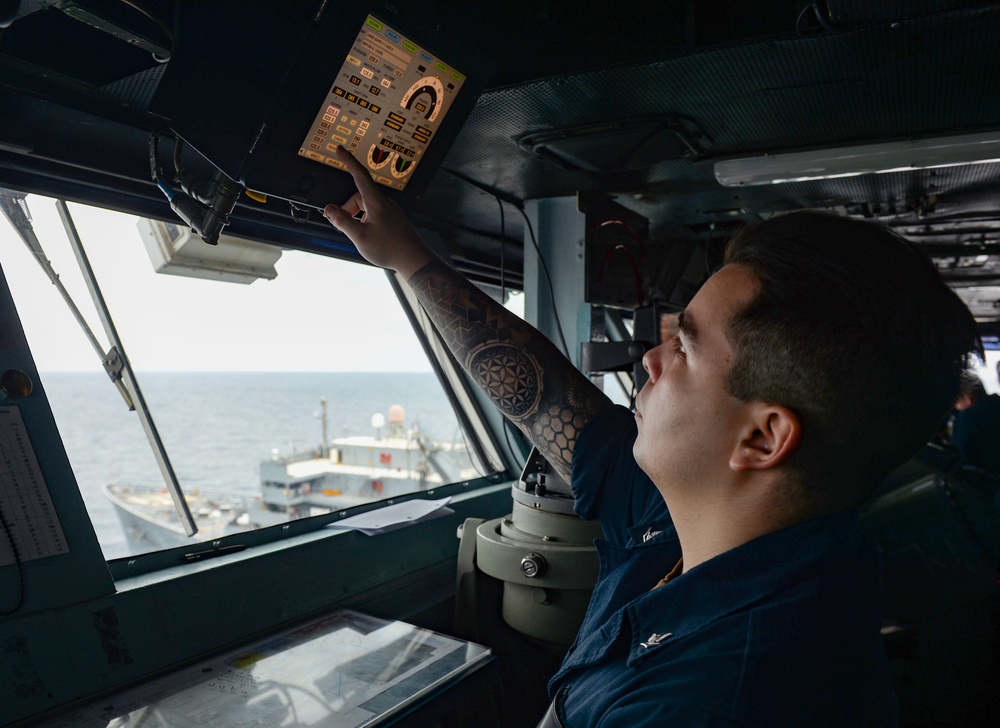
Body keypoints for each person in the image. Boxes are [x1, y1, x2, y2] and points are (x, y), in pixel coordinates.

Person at [322, 145, 980, 726]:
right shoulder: (697, 525)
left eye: (686, 350)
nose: (651, 361)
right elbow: (548, 397)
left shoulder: (717, 700)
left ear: (762, 439)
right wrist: (407, 257)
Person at [952, 372, 1000, 477]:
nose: (956, 408)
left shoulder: (969, 416)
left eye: (956, 403)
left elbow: (960, 451)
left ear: (967, 400)